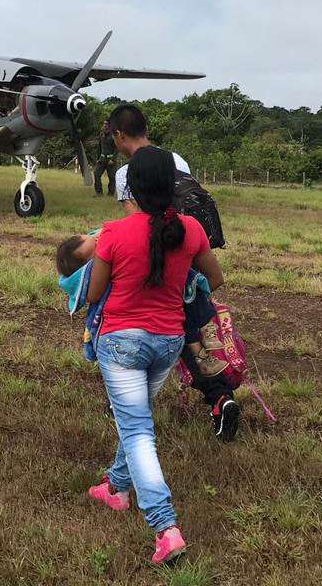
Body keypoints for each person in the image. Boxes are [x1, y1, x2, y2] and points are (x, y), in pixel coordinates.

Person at [85, 147, 224, 564]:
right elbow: (214, 280)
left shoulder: (114, 233)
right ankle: (115, 489)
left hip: (122, 343)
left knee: (138, 430)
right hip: (168, 342)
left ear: (133, 187)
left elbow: (93, 294)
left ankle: (166, 528)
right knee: (137, 419)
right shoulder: (191, 230)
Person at [56, 233, 241, 441]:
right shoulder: (146, 234)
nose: (100, 240)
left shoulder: (113, 260)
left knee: (131, 359)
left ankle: (123, 403)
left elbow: (95, 295)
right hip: (177, 308)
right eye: (96, 245)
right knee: (195, 352)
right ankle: (220, 398)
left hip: (147, 326)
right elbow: (216, 278)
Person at [109, 104, 190, 215]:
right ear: (146, 129)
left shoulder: (124, 173)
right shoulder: (177, 160)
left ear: (119, 135)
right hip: (184, 229)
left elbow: (134, 224)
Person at [93, 119, 117, 197]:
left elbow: (116, 148)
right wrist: (97, 158)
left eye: (107, 124)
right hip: (102, 159)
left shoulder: (114, 135)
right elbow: (99, 147)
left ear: (110, 125)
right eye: (104, 124)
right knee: (96, 174)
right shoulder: (101, 135)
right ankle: (99, 192)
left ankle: (111, 193)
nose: (105, 125)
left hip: (110, 160)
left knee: (112, 177)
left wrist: (113, 159)